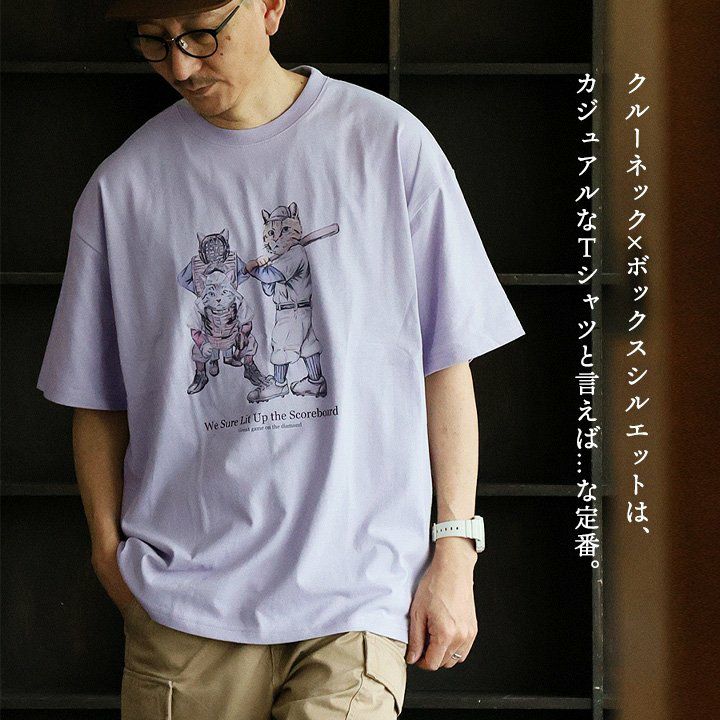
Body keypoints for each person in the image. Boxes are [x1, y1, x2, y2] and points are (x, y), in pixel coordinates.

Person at [36, 0, 526, 717]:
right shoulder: (124, 187)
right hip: (183, 608)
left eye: (203, 34)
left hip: (356, 598)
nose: (180, 66)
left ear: (269, 8)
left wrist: (455, 547)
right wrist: (109, 558)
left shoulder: (385, 144)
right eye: (154, 41)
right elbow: (96, 400)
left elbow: (444, 362)